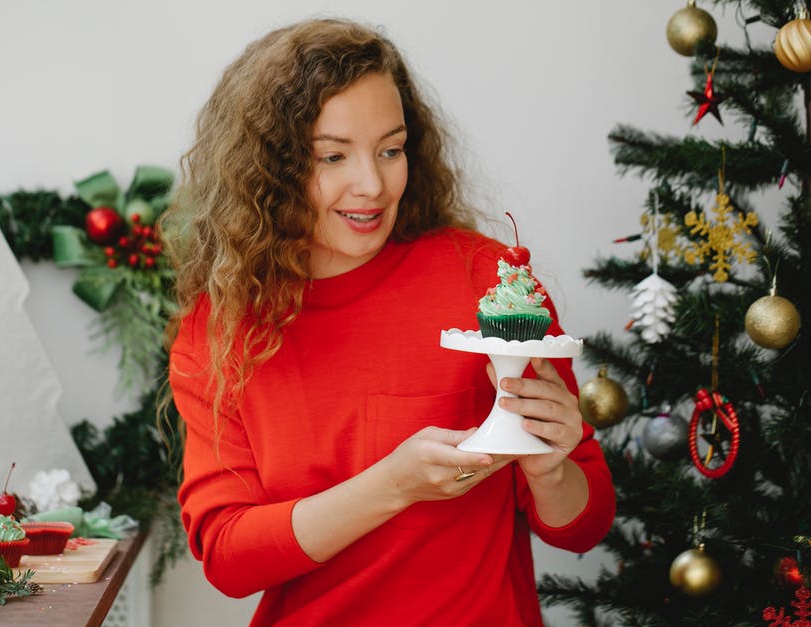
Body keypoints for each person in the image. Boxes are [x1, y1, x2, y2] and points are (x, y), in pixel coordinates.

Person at [161, 17, 615, 627]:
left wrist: (551, 466)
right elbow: (227, 556)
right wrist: (391, 487)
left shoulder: (489, 285)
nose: (372, 185)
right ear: (268, 170)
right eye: (332, 156)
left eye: (391, 150)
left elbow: (581, 527)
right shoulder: (221, 330)